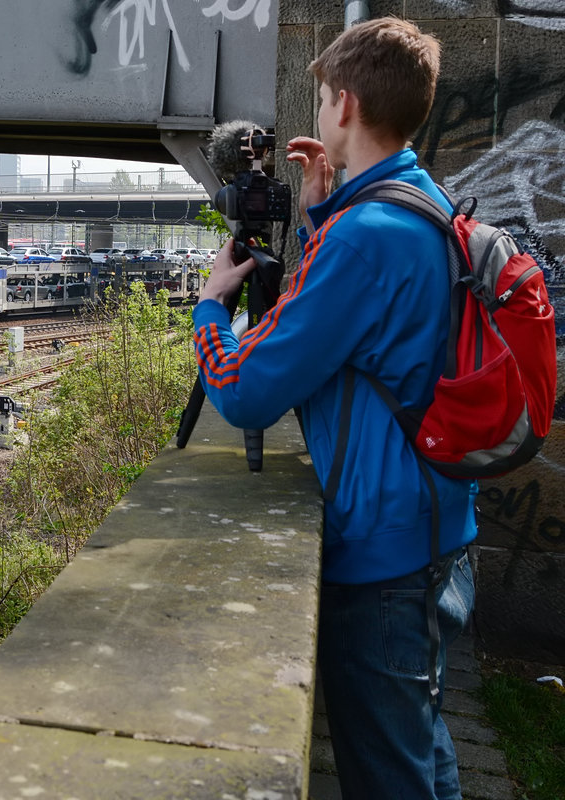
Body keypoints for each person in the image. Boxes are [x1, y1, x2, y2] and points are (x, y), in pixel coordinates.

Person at [192, 18, 476, 800]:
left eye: (321, 100)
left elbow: (246, 395)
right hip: (437, 524)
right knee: (420, 740)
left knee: (390, 775)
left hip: (386, 553)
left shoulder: (364, 238)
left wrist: (212, 310)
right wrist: (323, 214)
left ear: (343, 105)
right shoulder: (418, 201)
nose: (318, 115)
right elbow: (376, 329)